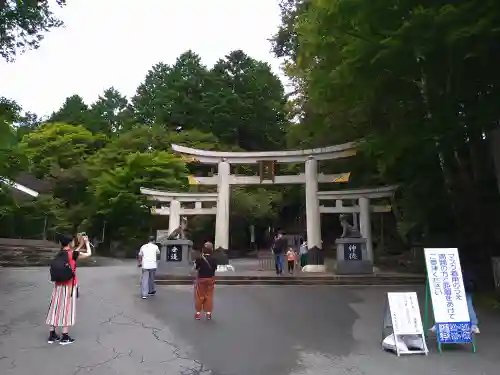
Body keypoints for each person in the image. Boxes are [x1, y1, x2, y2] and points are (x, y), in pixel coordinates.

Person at [46, 233, 91, 345]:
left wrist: (80, 245)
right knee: (67, 309)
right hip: (69, 286)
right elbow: (88, 254)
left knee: (55, 307)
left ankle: (52, 335)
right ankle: (65, 336)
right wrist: (86, 243)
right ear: (70, 243)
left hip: (58, 285)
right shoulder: (73, 254)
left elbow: (73, 252)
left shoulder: (60, 254)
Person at [193, 241, 218, 320]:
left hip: (201, 279)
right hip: (210, 279)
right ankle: (208, 314)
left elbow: (196, 268)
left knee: (199, 296)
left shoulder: (199, 258)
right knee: (209, 296)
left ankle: (198, 314)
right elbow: (215, 268)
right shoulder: (214, 259)